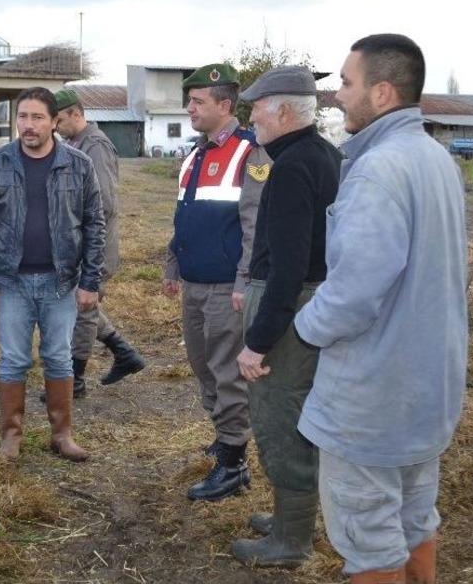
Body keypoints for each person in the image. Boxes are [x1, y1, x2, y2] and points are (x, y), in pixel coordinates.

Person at [292, 34, 467, 584]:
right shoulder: (436, 159)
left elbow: (353, 294)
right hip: (427, 390)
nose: (338, 96)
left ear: (383, 93)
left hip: (373, 397)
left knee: (369, 538)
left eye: (347, 83)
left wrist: (303, 325)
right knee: (415, 518)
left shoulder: (377, 170)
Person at [230, 66, 341, 567]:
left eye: (256, 108)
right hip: (307, 304)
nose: (251, 116)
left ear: (283, 111)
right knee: (294, 415)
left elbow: (289, 267)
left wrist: (258, 339)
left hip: (290, 308)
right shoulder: (320, 155)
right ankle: (290, 518)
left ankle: (291, 542)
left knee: (280, 418)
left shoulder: (294, 167)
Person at [0, 86, 105, 463]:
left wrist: (91, 281)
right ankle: (11, 436)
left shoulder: (78, 165)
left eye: (37, 117)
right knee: (13, 360)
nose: (28, 126)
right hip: (10, 282)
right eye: (23, 117)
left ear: (54, 121)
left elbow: (95, 224)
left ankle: (62, 435)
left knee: (59, 359)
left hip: (60, 282)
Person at [163, 63, 270, 501]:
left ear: (225, 105)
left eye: (198, 102)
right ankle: (226, 436)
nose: (190, 108)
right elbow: (183, 216)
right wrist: (172, 265)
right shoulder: (196, 152)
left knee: (228, 374)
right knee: (203, 366)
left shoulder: (251, 153)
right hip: (194, 282)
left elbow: (254, 226)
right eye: (190, 101)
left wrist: (244, 281)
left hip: (228, 288)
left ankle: (233, 463)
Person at [53, 88, 146, 397]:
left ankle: (74, 380)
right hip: (78, 243)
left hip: (95, 245)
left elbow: (103, 203)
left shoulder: (96, 147)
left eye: (59, 119)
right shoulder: (73, 143)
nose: (55, 126)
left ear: (76, 114)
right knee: (81, 305)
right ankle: (124, 353)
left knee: (82, 310)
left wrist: (85, 241)